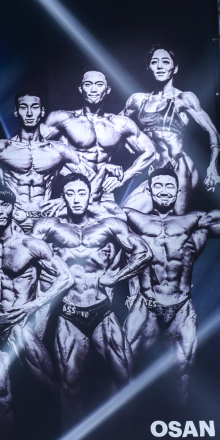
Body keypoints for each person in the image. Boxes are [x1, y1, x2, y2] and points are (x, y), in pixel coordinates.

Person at [33, 173, 152, 405]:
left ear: (90, 195)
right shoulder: (50, 226)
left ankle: (121, 426)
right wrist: (53, 275)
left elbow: (144, 253)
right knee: (69, 388)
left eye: (81, 193)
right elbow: (25, 254)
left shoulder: (109, 225)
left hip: (102, 311)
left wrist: (116, 277)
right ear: (63, 197)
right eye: (70, 193)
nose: (76, 199)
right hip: (68, 313)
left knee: (126, 379)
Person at [0, 185, 71, 426]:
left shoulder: (30, 245)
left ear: (12, 208)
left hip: (19, 323)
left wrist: (34, 305)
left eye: (5, 205)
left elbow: (66, 278)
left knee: (50, 387)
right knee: (1, 393)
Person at [123, 168, 220, 402]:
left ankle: (178, 415)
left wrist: (219, 186)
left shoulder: (193, 221)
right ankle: (122, 418)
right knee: (123, 366)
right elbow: (98, 218)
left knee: (182, 370)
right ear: (149, 190)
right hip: (146, 305)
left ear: (177, 190)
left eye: (169, 186)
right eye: (158, 185)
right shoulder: (133, 218)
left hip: (180, 306)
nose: (164, 191)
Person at [121, 45, 220, 214]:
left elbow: (212, 132)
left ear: (174, 69)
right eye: (154, 62)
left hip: (178, 164)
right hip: (153, 167)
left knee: (175, 219)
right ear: (148, 68)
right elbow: (117, 126)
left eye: (165, 62)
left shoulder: (184, 98)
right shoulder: (138, 100)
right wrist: (128, 143)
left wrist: (212, 166)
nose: (160, 66)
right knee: (125, 215)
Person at [42, 69, 158, 205]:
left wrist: (122, 178)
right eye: (88, 84)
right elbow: (31, 144)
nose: (93, 89)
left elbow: (150, 152)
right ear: (80, 89)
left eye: (99, 84)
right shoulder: (63, 119)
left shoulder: (120, 124)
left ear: (107, 90)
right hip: (71, 190)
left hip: (103, 192)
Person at [0, 90, 93, 232]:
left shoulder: (58, 150)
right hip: (12, 220)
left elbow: (89, 177)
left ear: (42, 111)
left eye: (34, 107)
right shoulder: (2, 148)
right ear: (16, 112)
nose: (29, 113)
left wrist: (64, 199)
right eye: (23, 107)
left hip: (45, 220)